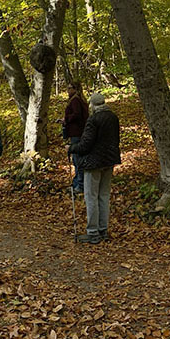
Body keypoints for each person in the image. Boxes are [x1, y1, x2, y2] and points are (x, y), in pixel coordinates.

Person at [68, 93, 121, 244]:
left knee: (91, 197)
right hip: (109, 161)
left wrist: (72, 148)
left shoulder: (93, 119)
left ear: (92, 104)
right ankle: (103, 230)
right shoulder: (113, 117)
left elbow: (86, 144)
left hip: (93, 162)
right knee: (103, 196)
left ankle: (92, 232)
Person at [60, 81, 90, 193]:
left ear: (75, 89)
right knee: (76, 160)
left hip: (77, 134)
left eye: (69, 88)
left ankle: (80, 185)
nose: (67, 91)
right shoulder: (78, 100)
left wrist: (66, 119)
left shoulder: (76, 100)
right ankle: (77, 183)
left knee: (77, 160)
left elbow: (77, 115)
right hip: (76, 133)